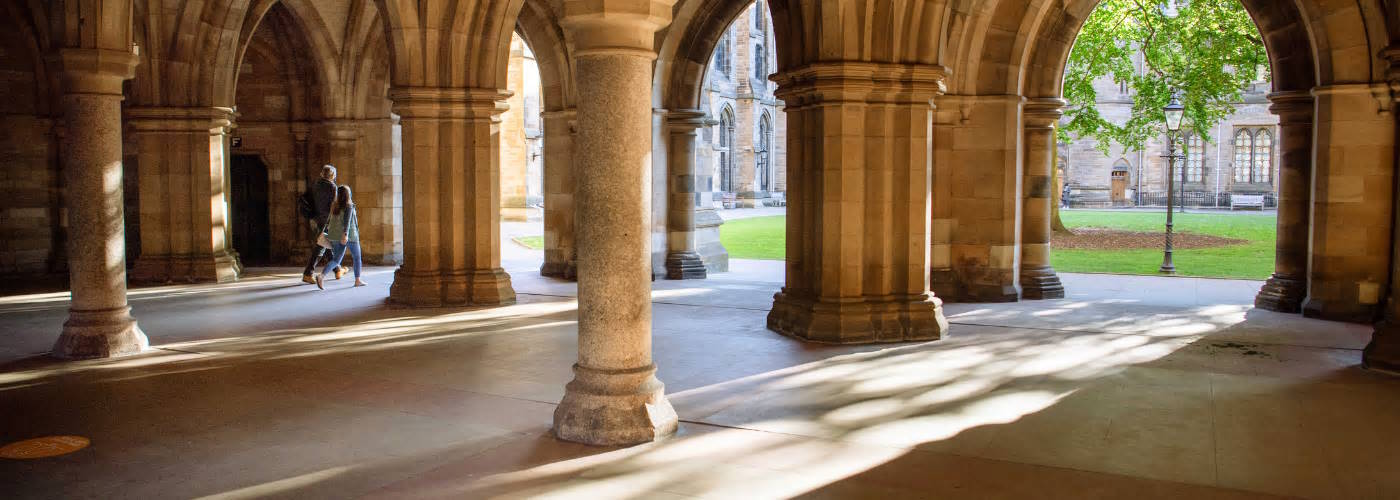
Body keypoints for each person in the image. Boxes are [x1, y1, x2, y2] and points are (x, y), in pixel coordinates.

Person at [316, 185, 366, 289]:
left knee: (336, 260)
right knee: (357, 258)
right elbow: (347, 222)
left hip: (334, 236)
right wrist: (345, 234)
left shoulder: (334, 205)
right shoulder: (349, 205)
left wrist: (324, 231)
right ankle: (357, 280)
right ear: (348, 194)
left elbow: (329, 220)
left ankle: (321, 276)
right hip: (350, 236)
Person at [301, 165, 344, 283]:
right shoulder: (332, 187)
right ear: (333, 175)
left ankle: (337, 269)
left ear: (321, 174)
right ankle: (308, 273)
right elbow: (334, 206)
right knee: (321, 246)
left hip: (316, 219)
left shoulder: (314, 185)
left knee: (325, 244)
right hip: (327, 220)